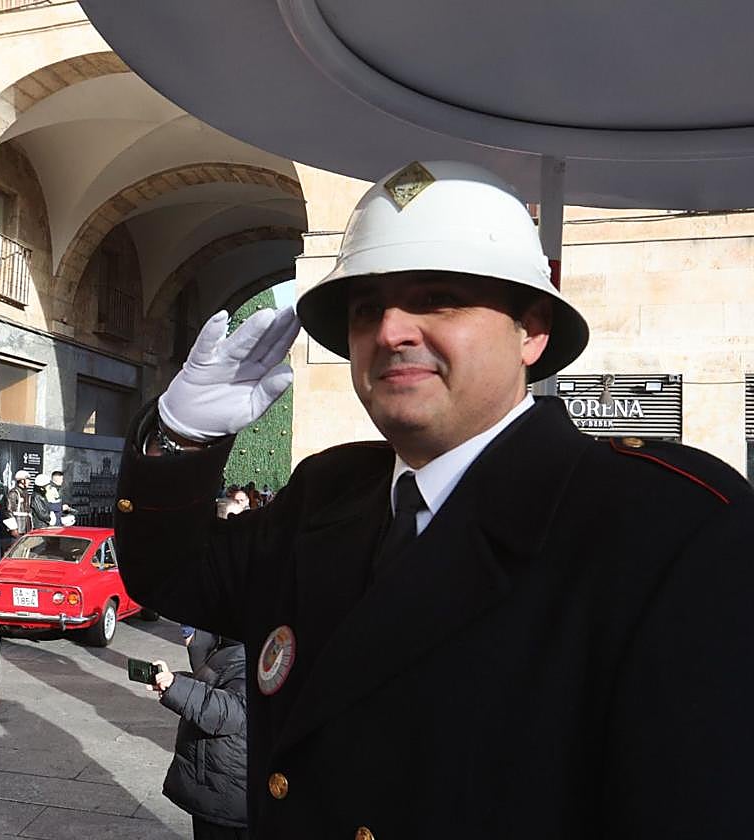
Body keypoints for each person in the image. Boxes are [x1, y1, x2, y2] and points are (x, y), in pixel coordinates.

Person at [112, 160, 754, 837]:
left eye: (438, 297)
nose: (390, 332)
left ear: (531, 331)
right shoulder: (327, 493)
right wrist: (181, 436)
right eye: (366, 309)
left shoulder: (668, 527)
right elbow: (173, 578)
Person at [149, 631, 249, 840]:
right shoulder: (229, 645)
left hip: (226, 790)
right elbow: (213, 685)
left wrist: (177, 687)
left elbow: (231, 711)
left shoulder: (251, 653)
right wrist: (174, 680)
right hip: (214, 781)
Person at [5, 470, 33, 540]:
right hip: (18, 527)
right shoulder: (13, 493)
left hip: (26, 526)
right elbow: (9, 511)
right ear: (22, 481)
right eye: (28, 479)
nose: (29, 482)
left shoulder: (26, 492)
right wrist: (13, 528)